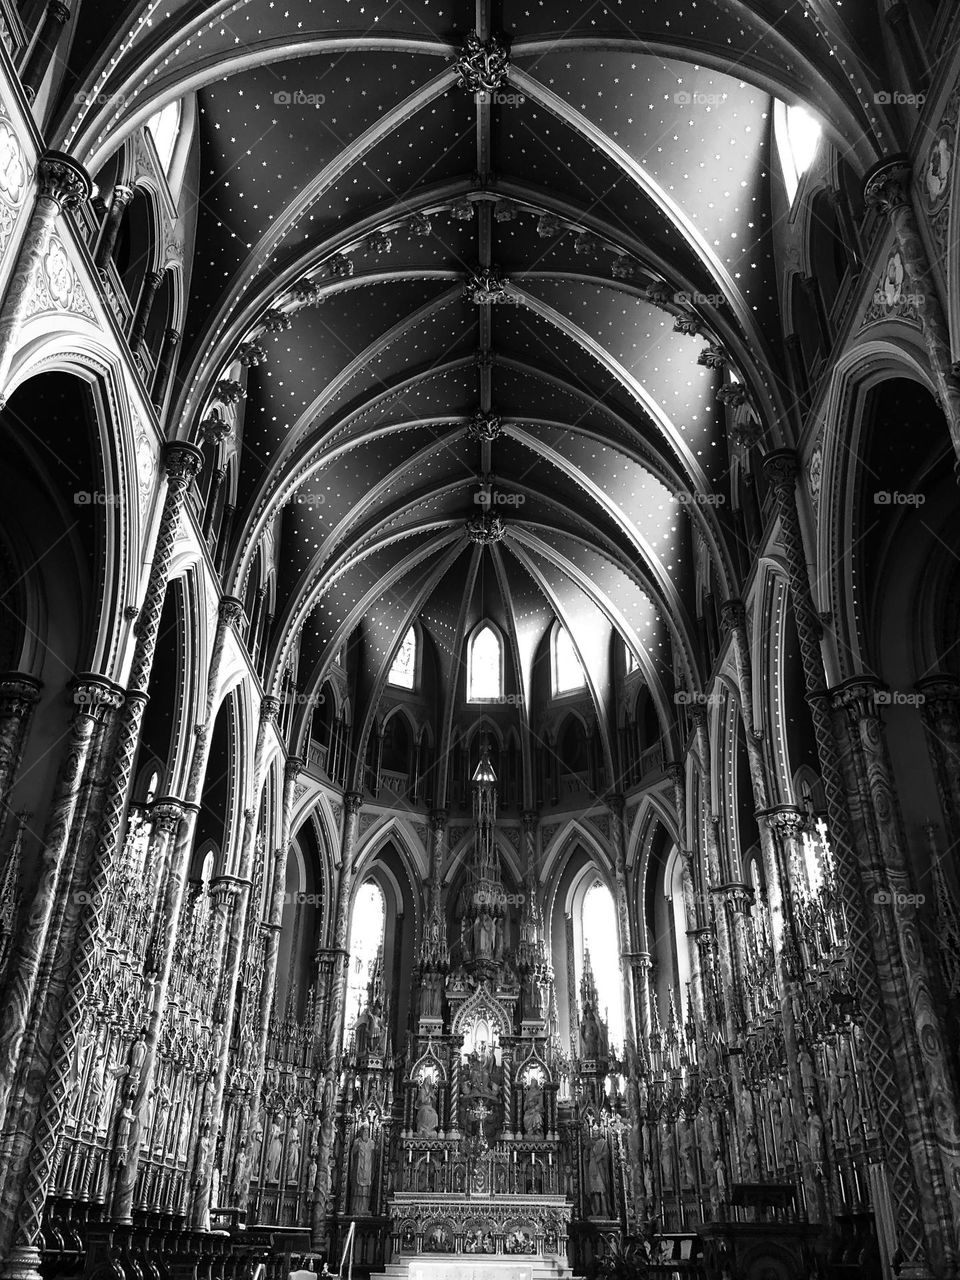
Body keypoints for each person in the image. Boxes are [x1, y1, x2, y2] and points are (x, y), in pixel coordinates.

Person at [586, 1132, 611, 1217]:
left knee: (602, 1190)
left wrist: (600, 1156)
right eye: (594, 1131)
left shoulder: (603, 1143)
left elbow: (606, 1153)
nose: (595, 1133)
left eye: (597, 1131)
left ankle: (605, 1211)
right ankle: (597, 1210)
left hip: (600, 1167)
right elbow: (586, 1156)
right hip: (592, 1167)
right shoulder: (590, 1143)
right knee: (595, 1191)